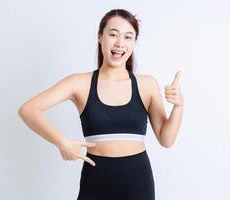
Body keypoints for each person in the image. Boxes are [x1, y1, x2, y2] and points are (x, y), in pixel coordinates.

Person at [18, 8, 184, 200]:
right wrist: (61, 142)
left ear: (134, 43)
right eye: (113, 34)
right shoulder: (79, 83)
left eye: (128, 37)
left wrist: (179, 105)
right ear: (100, 37)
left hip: (138, 183)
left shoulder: (147, 84)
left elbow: (166, 139)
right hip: (95, 182)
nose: (120, 43)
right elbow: (28, 110)